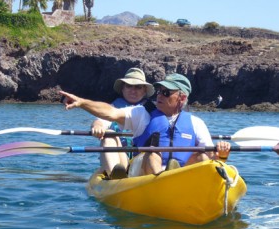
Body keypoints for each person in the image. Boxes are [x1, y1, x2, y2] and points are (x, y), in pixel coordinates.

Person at [60, 73, 231, 178]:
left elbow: (211, 157)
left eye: (166, 93)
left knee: (201, 156)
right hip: (144, 174)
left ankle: (173, 178)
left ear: (182, 98)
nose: (159, 96)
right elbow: (111, 113)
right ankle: (160, 180)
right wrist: (82, 102)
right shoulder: (143, 113)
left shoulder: (196, 123)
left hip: (181, 176)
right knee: (152, 153)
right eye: (158, 92)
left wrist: (222, 154)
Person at [91, 68, 155, 175]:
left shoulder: (152, 110)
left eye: (138, 87)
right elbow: (100, 121)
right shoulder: (113, 109)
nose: (133, 91)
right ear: (122, 89)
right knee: (109, 134)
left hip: (141, 161)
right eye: (129, 86)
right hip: (121, 159)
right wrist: (97, 126)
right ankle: (114, 176)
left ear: (144, 91)